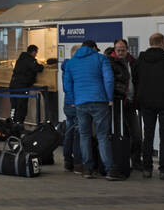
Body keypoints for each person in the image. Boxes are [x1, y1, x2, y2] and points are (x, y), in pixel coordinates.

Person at [63, 40, 116, 180]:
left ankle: (88, 169)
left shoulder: (71, 62)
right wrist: (109, 97)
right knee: (102, 136)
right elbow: (109, 79)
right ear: (93, 48)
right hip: (99, 101)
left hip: (81, 102)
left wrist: (73, 100)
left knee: (84, 135)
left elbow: (67, 84)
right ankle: (110, 170)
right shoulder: (101, 58)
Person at [134, 33, 164, 180]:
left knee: (148, 135)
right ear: (162, 42)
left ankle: (147, 168)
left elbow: (135, 80)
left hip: (146, 102)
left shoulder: (140, 60)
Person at [109, 39, 140, 168]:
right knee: (120, 134)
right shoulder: (110, 63)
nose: (121, 52)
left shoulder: (133, 62)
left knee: (137, 134)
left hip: (131, 102)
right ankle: (123, 161)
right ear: (114, 50)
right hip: (117, 102)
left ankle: (136, 160)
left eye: (123, 50)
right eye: (118, 50)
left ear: (127, 49)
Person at [9, 44, 45, 124]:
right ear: (33, 52)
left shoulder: (21, 58)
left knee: (14, 106)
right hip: (22, 86)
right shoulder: (29, 59)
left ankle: (13, 124)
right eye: (36, 53)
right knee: (21, 107)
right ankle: (19, 125)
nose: (36, 55)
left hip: (13, 85)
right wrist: (42, 66)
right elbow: (37, 68)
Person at [60, 47, 80, 172]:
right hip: (75, 103)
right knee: (78, 133)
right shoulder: (74, 68)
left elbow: (66, 87)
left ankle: (67, 159)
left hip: (67, 104)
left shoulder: (65, 67)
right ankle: (78, 161)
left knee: (69, 132)